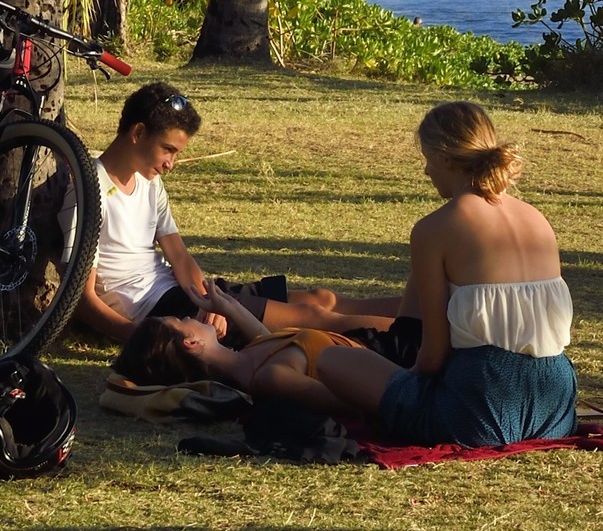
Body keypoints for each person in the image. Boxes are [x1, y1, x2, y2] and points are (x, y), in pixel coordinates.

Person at [165, 102, 578, 451]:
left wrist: (398, 383)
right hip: (557, 400)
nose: (426, 173)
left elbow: (433, 355)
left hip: (482, 405)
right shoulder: (537, 220)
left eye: (427, 161)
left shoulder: (437, 227)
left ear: (446, 159)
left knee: (331, 361)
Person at [73, 81, 392, 347]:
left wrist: (209, 301)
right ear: (138, 133)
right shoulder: (88, 188)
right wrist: (145, 337)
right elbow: (84, 299)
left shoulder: (148, 180)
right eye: (168, 150)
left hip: (188, 296)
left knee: (319, 298)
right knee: (314, 319)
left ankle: (423, 312)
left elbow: (180, 259)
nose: (171, 164)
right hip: (161, 310)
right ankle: (417, 336)